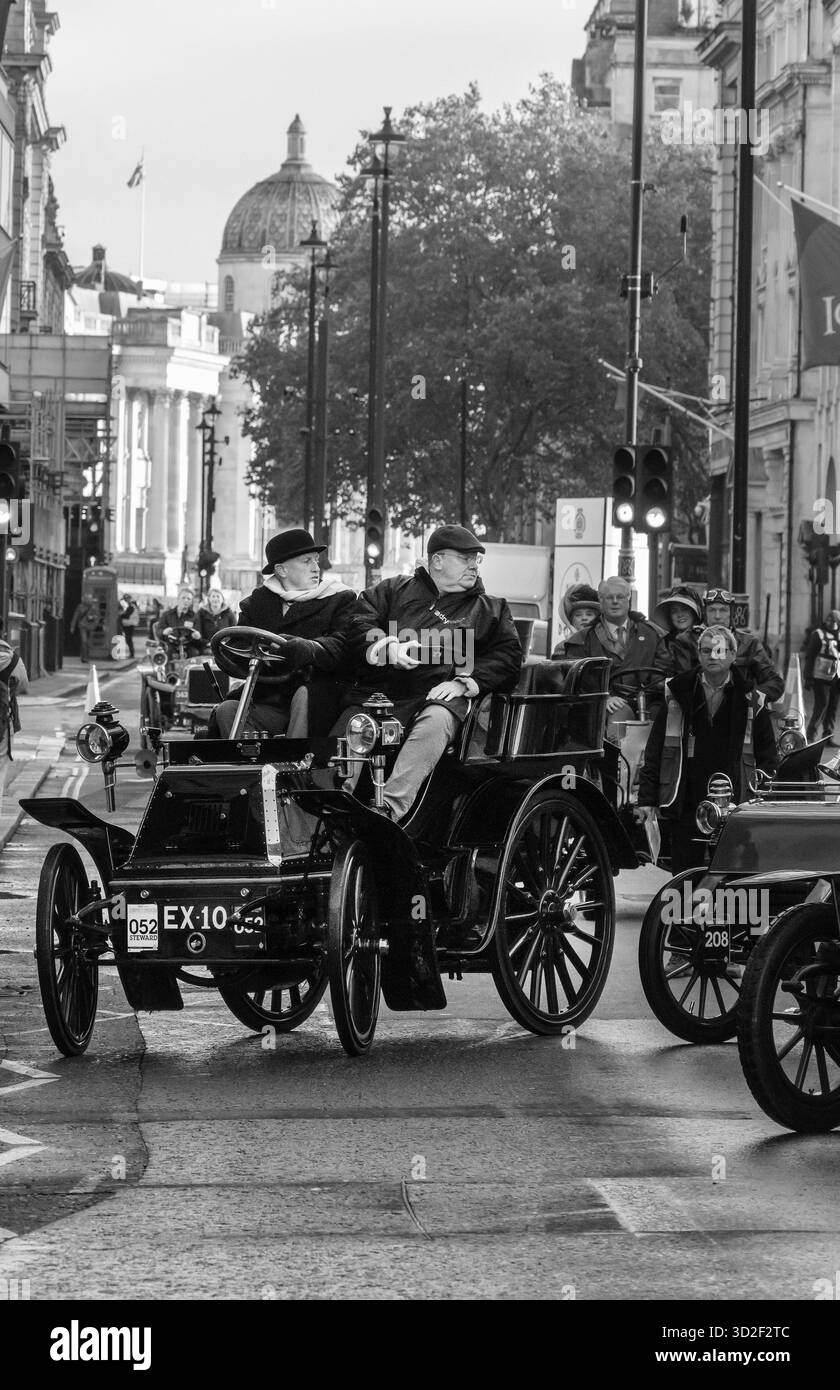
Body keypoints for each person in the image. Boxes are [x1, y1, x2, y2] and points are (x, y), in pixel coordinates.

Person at [338, 524, 522, 822]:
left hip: (439, 700)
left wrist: (466, 683)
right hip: (379, 698)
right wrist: (386, 646)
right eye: (465, 558)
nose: (474, 565)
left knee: (437, 718)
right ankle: (334, 808)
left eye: (477, 559)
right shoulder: (392, 590)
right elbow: (357, 621)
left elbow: (509, 657)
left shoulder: (490, 609)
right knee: (354, 723)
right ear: (437, 561)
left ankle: (387, 813)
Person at [636, 625, 778, 873]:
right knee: (684, 878)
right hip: (685, 799)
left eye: (721, 651)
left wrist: (764, 802)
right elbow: (655, 750)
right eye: (706, 650)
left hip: (737, 802)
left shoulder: (753, 699)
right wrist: (647, 799)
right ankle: (687, 912)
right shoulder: (677, 693)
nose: (713, 656)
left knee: (734, 876)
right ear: (698, 655)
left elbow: (768, 757)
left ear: (733, 655)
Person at [211, 528, 361, 738]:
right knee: (227, 710)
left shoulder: (338, 598)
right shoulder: (256, 603)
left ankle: (298, 763)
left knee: (304, 696)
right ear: (282, 570)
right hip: (269, 698)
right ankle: (246, 765)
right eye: (307, 561)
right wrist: (251, 654)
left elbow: (342, 643)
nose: (316, 568)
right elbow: (236, 645)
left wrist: (309, 648)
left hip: (318, 698)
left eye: (316, 560)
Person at [561, 575, 672, 736]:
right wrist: (605, 697)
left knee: (666, 719)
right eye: (609, 597)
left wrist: (654, 690)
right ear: (601, 601)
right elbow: (576, 678)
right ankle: (617, 761)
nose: (615, 601)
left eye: (620, 597)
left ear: (628, 599)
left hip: (649, 702)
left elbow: (665, 670)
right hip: (605, 705)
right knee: (619, 718)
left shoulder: (652, 634)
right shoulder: (583, 639)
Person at [672, 587, 784, 702]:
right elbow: (682, 682)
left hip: (740, 709)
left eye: (723, 610)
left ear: (732, 613)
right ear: (705, 613)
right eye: (712, 610)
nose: (717, 616)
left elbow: (775, 683)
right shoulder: (687, 640)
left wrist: (750, 695)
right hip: (700, 708)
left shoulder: (749, 643)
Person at [804, 609, 840, 744]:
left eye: (833, 620)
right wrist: (808, 677)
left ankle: (827, 737)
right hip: (820, 677)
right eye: (829, 619)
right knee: (821, 705)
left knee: (832, 707)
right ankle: (810, 735)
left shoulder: (839, 635)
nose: (830, 622)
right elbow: (810, 656)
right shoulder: (818, 634)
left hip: (836, 677)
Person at [550, 583, 600, 657]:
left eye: (589, 614)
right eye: (578, 615)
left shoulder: (606, 646)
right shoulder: (563, 648)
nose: (584, 618)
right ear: (571, 621)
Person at [652, 585, 703, 652]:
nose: (680, 614)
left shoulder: (707, 639)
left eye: (684, 609)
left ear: (694, 613)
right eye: (674, 611)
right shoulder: (663, 643)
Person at [155, 586, 202, 657]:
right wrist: (164, 632)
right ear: (178, 599)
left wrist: (197, 636)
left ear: (191, 602)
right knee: (166, 653)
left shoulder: (194, 616)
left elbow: (199, 636)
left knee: (195, 653)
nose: (186, 600)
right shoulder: (167, 614)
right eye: (183, 598)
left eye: (188, 599)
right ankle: (169, 668)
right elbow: (158, 631)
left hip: (188, 645)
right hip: (170, 644)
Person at [69, 596, 98, 663]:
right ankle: (84, 658)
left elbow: (96, 616)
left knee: (87, 643)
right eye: (88, 599)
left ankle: (86, 656)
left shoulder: (93, 607)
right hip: (82, 626)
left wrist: (93, 619)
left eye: (90, 599)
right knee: (84, 642)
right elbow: (75, 617)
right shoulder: (80, 607)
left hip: (90, 627)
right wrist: (72, 626)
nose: (89, 600)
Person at [118, 593, 140, 659]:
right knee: (128, 639)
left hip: (129, 624)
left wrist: (119, 615)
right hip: (128, 624)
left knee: (128, 639)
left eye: (126, 599)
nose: (125, 600)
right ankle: (131, 654)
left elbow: (126, 615)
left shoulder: (131, 607)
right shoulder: (130, 606)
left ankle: (132, 654)